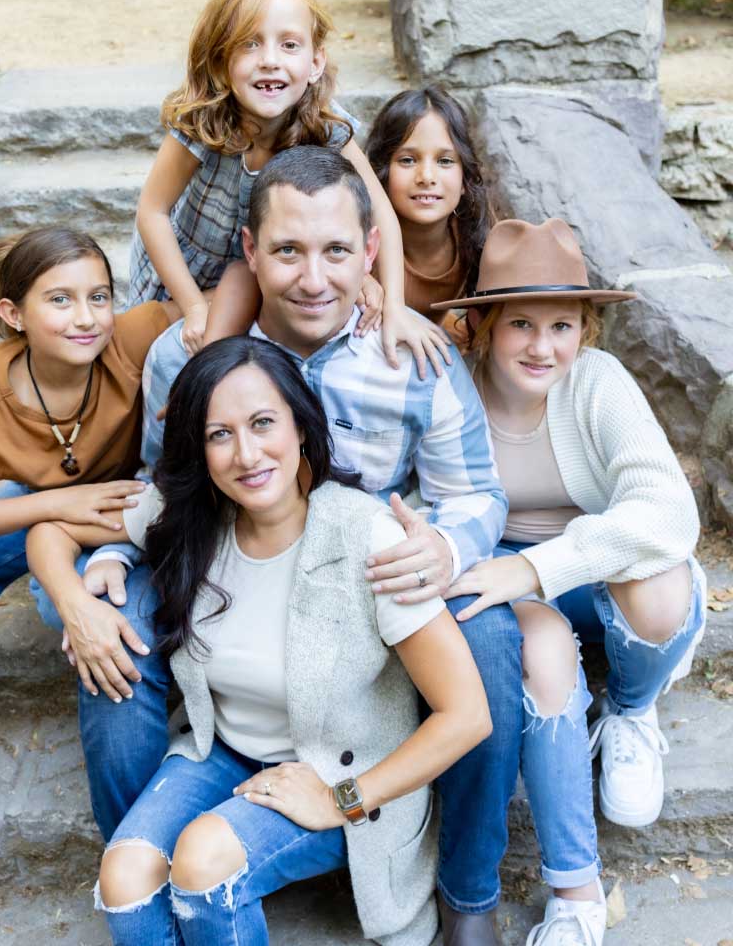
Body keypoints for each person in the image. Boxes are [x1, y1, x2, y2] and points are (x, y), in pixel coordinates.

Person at [35, 146, 522, 945]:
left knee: (491, 639)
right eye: (288, 251)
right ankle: (151, 855)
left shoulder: (412, 356)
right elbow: (168, 486)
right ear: (251, 254)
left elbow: (478, 495)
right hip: (226, 546)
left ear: (371, 252)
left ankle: (467, 895)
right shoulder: (186, 356)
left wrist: (440, 545)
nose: (313, 277)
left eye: (336, 251)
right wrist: (97, 575)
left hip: (372, 567)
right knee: (109, 622)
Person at [434, 218, 706, 946]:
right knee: (545, 656)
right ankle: (577, 894)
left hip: (602, 581)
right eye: (520, 323)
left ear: (585, 329)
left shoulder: (596, 383)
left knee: (658, 589)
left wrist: (538, 564)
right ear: (484, 325)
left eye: (561, 325)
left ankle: (630, 706)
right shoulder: (452, 388)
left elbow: (667, 511)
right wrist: (514, 575)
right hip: (507, 587)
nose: (541, 346)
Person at [0, 226, 180, 798]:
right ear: (13, 314)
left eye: (98, 296)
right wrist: (53, 503)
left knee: (78, 604)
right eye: (60, 300)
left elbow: (223, 297)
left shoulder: (132, 337)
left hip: (112, 513)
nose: (86, 317)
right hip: (29, 505)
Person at [130, 0, 448, 375]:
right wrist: (191, 305)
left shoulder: (326, 126)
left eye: (289, 45)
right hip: (182, 273)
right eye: (249, 44)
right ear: (221, 59)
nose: (269, 60)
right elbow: (151, 212)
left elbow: (380, 213)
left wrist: (394, 303)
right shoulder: (202, 119)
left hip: (266, 272)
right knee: (149, 352)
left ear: (316, 62)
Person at [365, 85, 492, 333]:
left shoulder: (472, 235)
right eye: (408, 160)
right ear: (382, 173)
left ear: (466, 177)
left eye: (445, 161)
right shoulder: (361, 240)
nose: (426, 177)